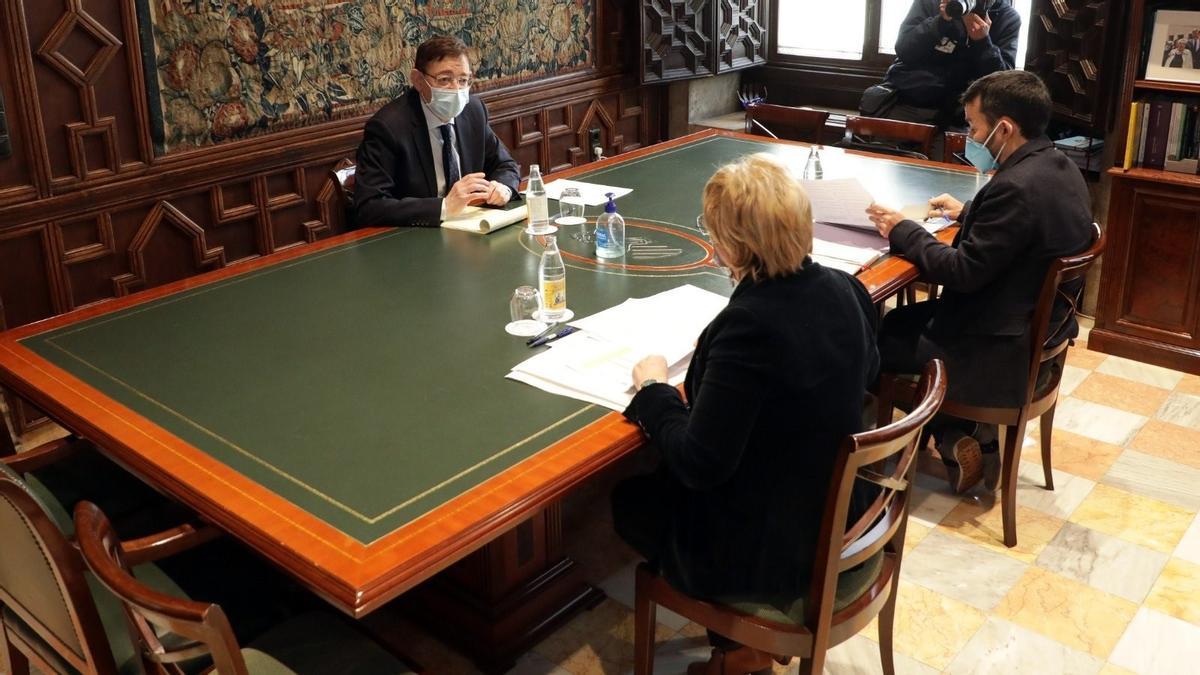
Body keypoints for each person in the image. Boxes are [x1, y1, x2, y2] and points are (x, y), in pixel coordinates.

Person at [612, 155, 880, 673]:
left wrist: (653, 391)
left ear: (732, 244)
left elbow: (700, 463)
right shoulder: (846, 288)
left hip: (774, 542)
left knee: (629, 501)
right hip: (840, 507)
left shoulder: (750, 324)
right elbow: (865, 371)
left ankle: (739, 650)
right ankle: (741, 651)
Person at [865, 70, 1093, 494]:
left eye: (974, 127)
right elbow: (1023, 231)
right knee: (897, 322)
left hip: (993, 346)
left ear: (1004, 128)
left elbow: (961, 272)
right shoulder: (1059, 167)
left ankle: (870, 461)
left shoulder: (1015, 188)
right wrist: (968, 211)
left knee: (865, 339)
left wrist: (902, 229)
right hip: (1032, 329)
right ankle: (960, 433)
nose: (970, 135)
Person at [354, 36, 520, 228]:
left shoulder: (473, 110)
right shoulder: (388, 127)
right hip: (415, 240)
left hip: (470, 228)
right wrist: (443, 207)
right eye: (444, 80)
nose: (456, 90)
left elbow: (506, 165)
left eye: (463, 80)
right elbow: (369, 207)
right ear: (418, 80)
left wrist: (503, 188)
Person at [869, 0, 1021, 129]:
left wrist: (983, 42)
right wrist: (939, 23)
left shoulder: (1007, 18)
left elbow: (1002, 82)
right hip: (907, 100)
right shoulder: (934, 3)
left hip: (961, 115)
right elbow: (904, 49)